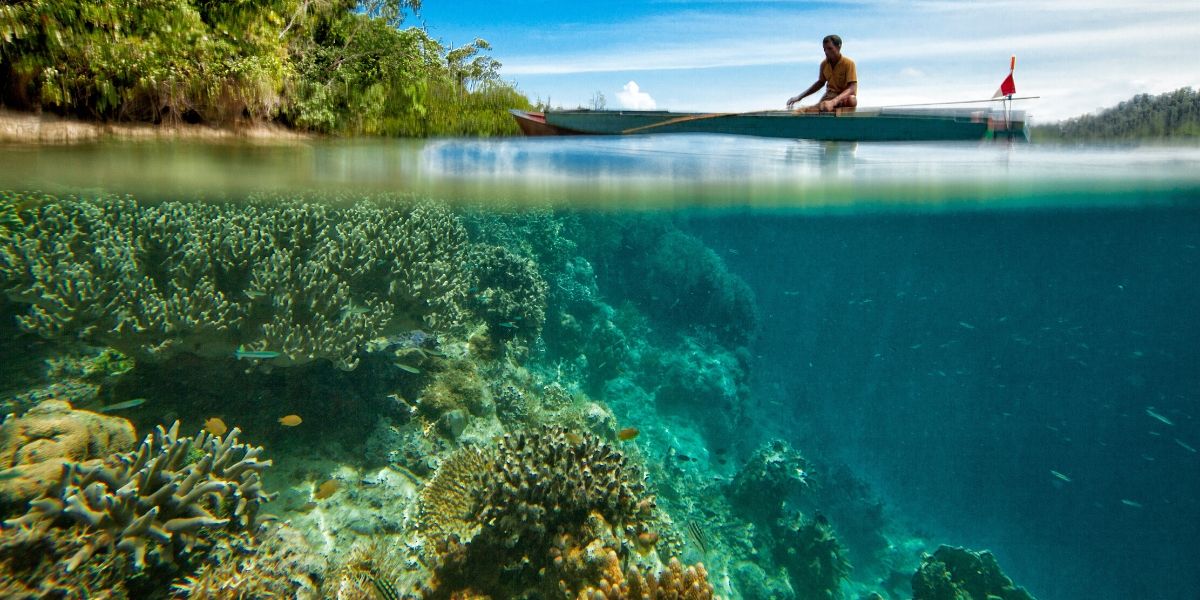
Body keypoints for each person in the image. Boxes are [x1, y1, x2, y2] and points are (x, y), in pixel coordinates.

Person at [786, 35, 858, 113]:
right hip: (829, 97)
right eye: (824, 49)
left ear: (838, 47)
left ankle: (838, 111)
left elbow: (852, 88)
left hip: (843, 98)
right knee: (808, 111)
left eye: (830, 48)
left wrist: (834, 102)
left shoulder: (848, 63)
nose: (826, 52)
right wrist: (799, 97)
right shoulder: (824, 64)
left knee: (852, 100)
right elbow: (820, 82)